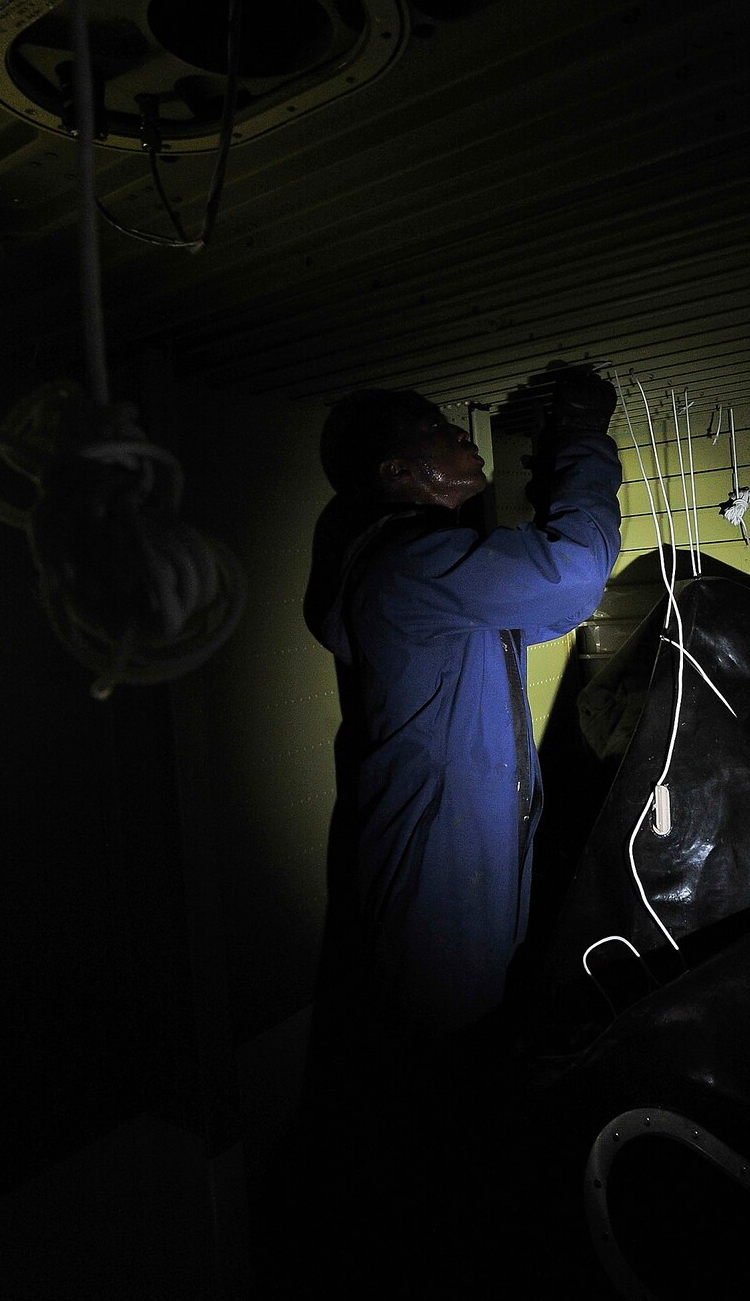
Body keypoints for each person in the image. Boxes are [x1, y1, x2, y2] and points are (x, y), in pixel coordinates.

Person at [302, 366, 622, 1053]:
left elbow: (551, 606)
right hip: (434, 905)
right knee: (445, 1094)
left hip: (456, 896)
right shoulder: (409, 566)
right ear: (397, 471)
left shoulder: (429, 576)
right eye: (434, 428)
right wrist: (584, 438)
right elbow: (575, 572)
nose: (456, 432)